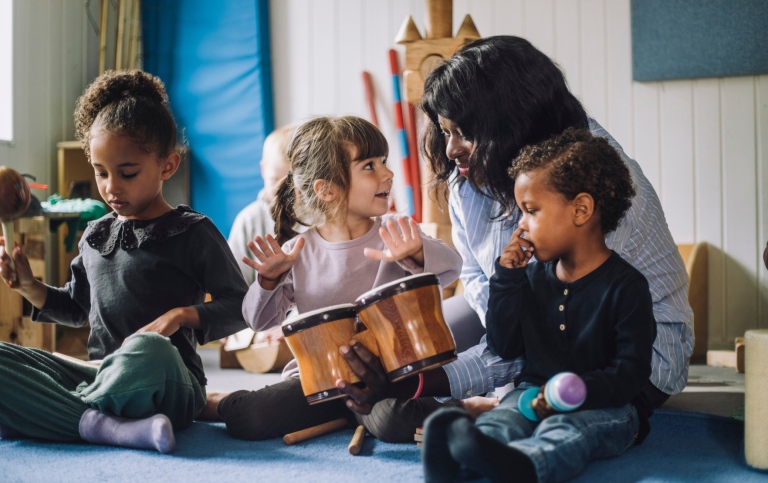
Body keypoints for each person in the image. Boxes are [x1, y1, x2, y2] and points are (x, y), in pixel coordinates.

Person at [337, 35, 692, 423]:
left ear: (510, 127)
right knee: (400, 357)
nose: (451, 149)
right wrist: (413, 366)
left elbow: (540, 339)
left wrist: (430, 382)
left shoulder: (588, 186)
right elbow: (477, 279)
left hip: (613, 354)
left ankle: (487, 407)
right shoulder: (473, 169)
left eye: (463, 133)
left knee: (407, 402)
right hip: (517, 319)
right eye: (445, 131)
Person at [0, 70, 248, 453]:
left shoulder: (192, 231)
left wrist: (182, 316)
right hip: (101, 373)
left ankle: (57, 414)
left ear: (167, 166)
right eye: (100, 173)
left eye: (127, 173)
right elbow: (76, 308)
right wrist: (29, 286)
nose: (111, 187)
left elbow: (240, 308)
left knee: (149, 350)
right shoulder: (96, 235)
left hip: (167, 376)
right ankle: (104, 422)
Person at [421, 128, 657, 483]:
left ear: (581, 210)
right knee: (503, 417)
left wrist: (573, 393)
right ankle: (461, 462)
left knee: (569, 430)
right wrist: (507, 277)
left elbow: (630, 374)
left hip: (609, 406)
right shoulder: (532, 277)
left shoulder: (627, 287)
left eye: (531, 211)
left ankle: (524, 466)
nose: (521, 224)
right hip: (532, 393)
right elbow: (505, 345)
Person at [207, 115, 464, 441]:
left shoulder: (395, 232)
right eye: (369, 166)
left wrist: (415, 252)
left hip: (386, 379)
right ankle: (215, 401)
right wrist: (267, 283)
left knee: (394, 423)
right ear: (327, 189)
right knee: (248, 418)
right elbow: (257, 321)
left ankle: (466, 409)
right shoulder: (297, 250)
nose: (388, 173)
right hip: (319, 380)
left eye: (383, 162)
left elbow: (452, 268)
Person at [228, 124, 297, 286]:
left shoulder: (319, 216)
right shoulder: (248, 220)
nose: (283, 191)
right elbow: (235, 284)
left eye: (291, 182)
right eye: (274, 180)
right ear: (263, 170)